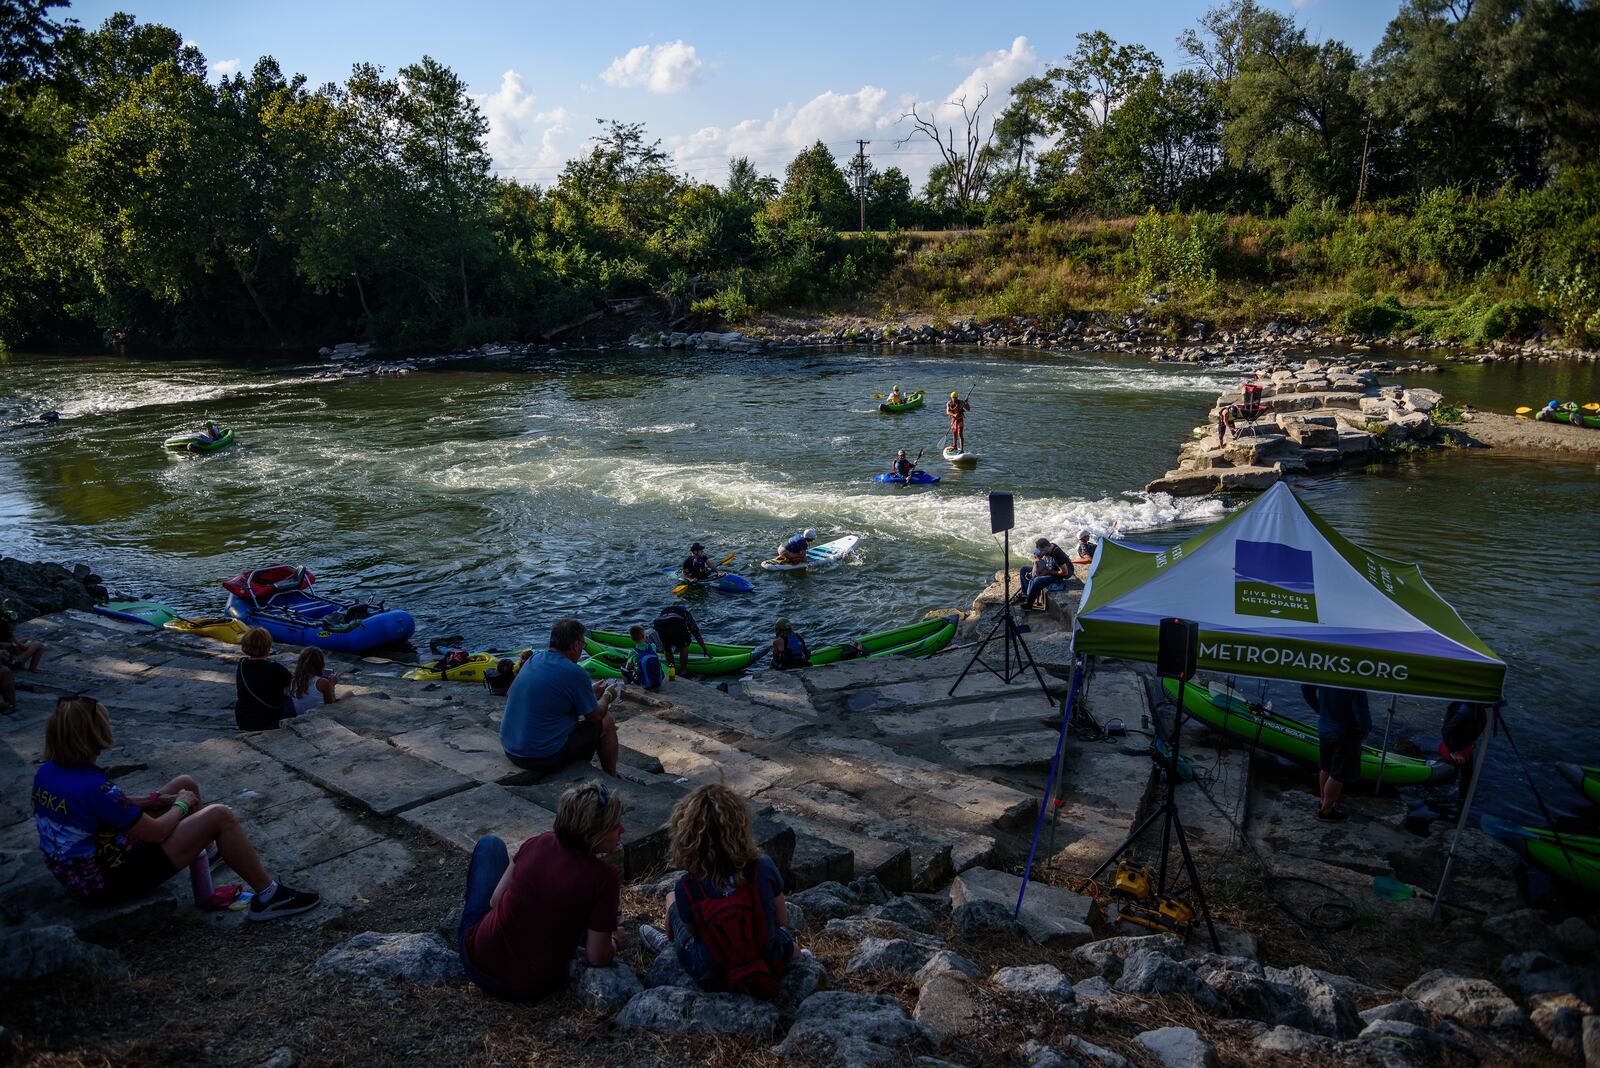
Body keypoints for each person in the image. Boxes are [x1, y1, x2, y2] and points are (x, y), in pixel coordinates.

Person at [32, 695, 320, 920]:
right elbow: (155, 833)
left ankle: (206, 858)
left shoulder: (50, 772)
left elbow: (109, 806)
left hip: (85, 868)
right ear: (94, 734)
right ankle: (270, 897)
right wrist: (181, 806)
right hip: (108, 881)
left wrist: (159, 800)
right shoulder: (93, 786)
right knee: (219, 815)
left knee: (186, 782)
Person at [457, 782, 627, 1001]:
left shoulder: (539, 842)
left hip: (478, 961)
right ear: (590, 835)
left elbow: (495, 899)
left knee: (490, 845)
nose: (622, 830)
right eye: (615, 826)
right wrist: (614, 942)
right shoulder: (604, 878)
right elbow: (597, 956)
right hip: (530, 988)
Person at [638, 782, 795, 998]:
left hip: (714, 972)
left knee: (672, 899)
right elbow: (781, 920)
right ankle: (803, 956)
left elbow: (695, 933)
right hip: (765, 954)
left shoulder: (687, 887)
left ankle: (669, 944)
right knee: (783, 937)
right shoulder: (763, 866)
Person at [500, 618, 621, 777]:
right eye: (583, 645)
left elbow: (549, 695)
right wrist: (607, 696)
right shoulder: (575, 673)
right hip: (541, 757)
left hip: (510, 748)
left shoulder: (533, 660)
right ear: (576, 645)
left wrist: (589, 692)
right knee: (606, 720)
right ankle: (612, 775)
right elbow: (594, 716)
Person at [1313, 685, 1371, 821]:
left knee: (1326, 767)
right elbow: (1360, 707)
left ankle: (1323, 802)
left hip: (1324, 726)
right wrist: (1365, 729)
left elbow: (1306, 688)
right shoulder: (1354, 679)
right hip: (1346, 732)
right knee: (1339, 774)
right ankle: (1326, 811)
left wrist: (1319, 708)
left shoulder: (1326, 668)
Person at [235, 627, 295, 731]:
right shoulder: (276, 668)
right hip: (268, 720)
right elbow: (294, 686)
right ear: (268, 646)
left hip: (244, 719)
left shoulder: (242, 664)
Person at [1439, 701, 1489, 799]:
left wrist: (1472, 740)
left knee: (1467, 776)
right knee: (1449, 778)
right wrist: (1453, 751)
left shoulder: (1478, 707)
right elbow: (1447, 730)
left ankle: (1463, 798)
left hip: (1464, 747)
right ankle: (1445, 802)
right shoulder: (1464, 710)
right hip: (1453, 749)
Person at [1019, 537, 1071, 610]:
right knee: (1024, 569)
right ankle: (1025, 594)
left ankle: (1029, 604)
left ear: (1047, 547)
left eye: (1043, 551)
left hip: (1058, 576)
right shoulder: (1048, 546)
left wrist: (1048, 572)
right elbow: (1036, 555)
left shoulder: (1057, 554)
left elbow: (1065, 573)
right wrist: (1036, 566)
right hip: (1049, 569)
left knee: (1038, 580)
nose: (1042, 553)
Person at [653, 603, 708, 673]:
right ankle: (683, 670)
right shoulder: (686, 613)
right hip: (676, 623)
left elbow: (664, 625)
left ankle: (671, 669)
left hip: (659, 623)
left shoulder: (665, 611)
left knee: (667, 647)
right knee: (684, 646)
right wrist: (704, 649)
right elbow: (696, 633)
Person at [287, 648, 339, 716]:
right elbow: (331, 707)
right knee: (349, 693)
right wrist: (332, 685)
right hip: (316, 718)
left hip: (299, 715)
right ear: (321, 664)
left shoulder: (294, 680)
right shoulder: (322, 683)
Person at [626, 624, 667, 690]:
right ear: (644, 636)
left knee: (624, 670)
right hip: (658, 681)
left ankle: (628, 688)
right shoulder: (653, 646)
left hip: (643, 682)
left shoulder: (632, 653)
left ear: (632, 639)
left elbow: (628, 667)